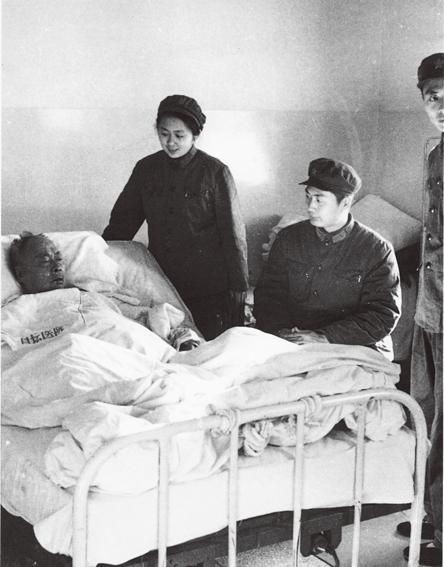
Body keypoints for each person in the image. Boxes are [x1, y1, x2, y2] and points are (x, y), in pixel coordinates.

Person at [102, 94, 249, 340]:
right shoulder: (146, 169)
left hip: (209, 286)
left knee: (208, 347)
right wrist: (98, 260)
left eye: (179, 135)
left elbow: (233, 236)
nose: (170, 142)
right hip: (162, 281)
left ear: (195, 135)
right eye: (164, 134)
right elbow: (122, 224)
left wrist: (239, 288)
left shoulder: (215, 172)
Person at [254, 157, 401, 360]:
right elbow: (269, 294)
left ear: (346, 202)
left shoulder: (377, 250)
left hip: (351, 345)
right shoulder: (288, 238)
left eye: (319, 199)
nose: (310, 206)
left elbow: (382, 315)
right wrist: (283, 332)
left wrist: (325, 337)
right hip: (294, 339)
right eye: (308, 197)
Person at [398, 53, 443, 567]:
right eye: (432, 97)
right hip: (432, 307)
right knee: (427, 413)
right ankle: (434, 515)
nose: (441, 106)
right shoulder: (436, 154)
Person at [9, 232, 200, 351]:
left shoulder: (96, 294)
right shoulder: (16, 310)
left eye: (58, 259)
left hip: (127, 354)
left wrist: (183, 339)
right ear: (21, 274)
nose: (56, 266)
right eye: (44, 261)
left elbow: (152, 318)